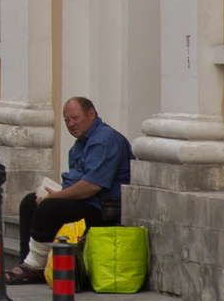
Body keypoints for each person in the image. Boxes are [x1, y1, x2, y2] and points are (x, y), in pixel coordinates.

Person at [8, 96, 131, 284]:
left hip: (102, 209)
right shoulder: (80, 144)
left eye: (75, 118)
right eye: (67, 120)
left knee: (49, 208)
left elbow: (91, 186)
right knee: (29, 203)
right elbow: (75, 181)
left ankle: (34, 265)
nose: (71, 124)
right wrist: (51, 194)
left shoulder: (105, 139)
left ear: (91, 114)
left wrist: (54, 197)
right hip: (85, 203)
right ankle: (30, 264)